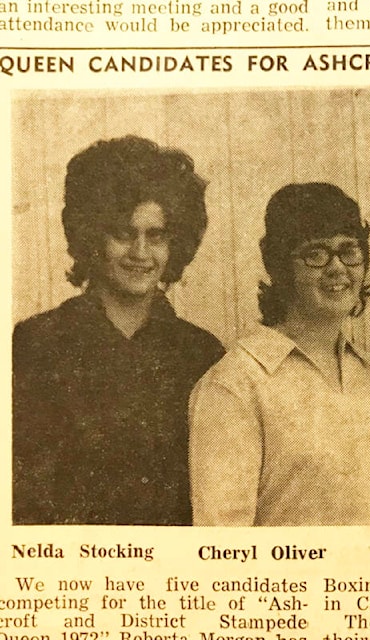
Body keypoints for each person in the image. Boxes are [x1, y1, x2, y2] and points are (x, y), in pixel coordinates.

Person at [12, 135, 224, 525]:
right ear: (91, 238)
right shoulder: (35, 344)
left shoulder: (202, 353)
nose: (140, 253)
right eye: (123, 234)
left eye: (156, 235)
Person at [189, 182, 370, 526]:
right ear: (280, 267)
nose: (337, 268)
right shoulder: (235, 385)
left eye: (349, 251)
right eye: (316, 254)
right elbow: (223, 540)